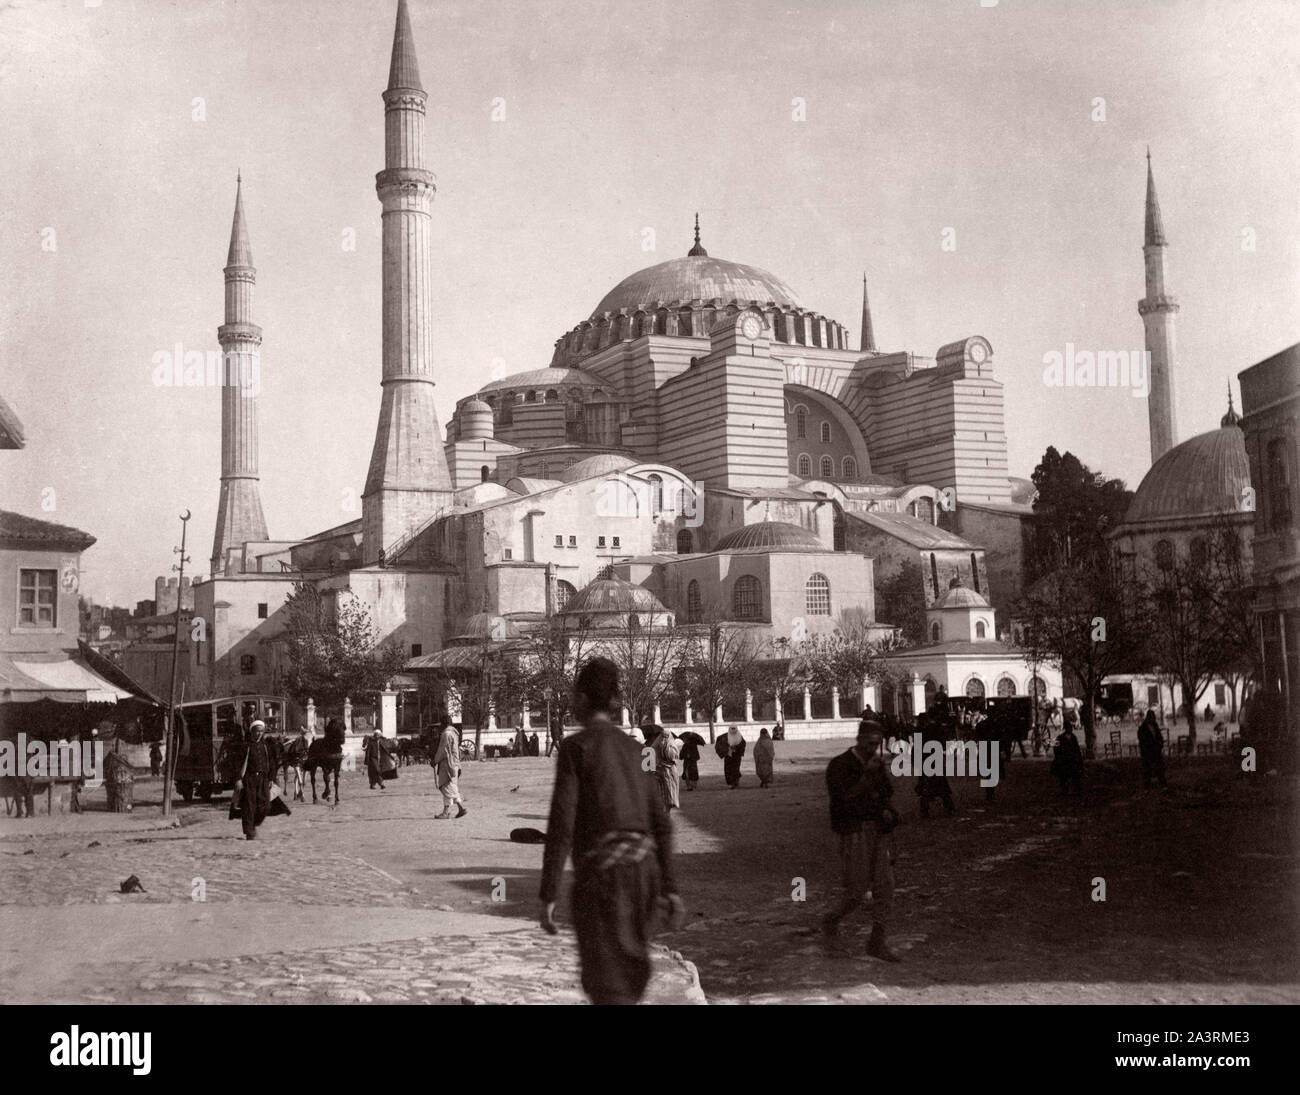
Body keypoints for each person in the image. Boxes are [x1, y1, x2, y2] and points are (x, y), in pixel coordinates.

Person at [539, 657, 684, 1005]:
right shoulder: (635, 750)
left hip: (603, 879)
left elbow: (562, 822)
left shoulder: (575, 748)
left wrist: (549, 893)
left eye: (576, 696)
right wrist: (670, 888)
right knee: (632, 967)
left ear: (584, 700)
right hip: (644, 876)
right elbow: (661, 825)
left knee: (606, 979)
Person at [822, 719, 900, 961]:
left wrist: (886, 810)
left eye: (877, 744)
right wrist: (866, 777)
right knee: (856, 891)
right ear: (859, 739)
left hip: (877, 830)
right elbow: (842, 800)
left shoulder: (875, 764)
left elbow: (887, 792)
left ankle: (877, 941)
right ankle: (831, 920)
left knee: (885, 887)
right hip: (854, 831)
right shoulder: (840, 765)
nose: (873, 748)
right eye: (869, 743)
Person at [232, 720, 272, 840]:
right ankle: (249, 832)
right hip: (249, 779)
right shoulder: (246, 746)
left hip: (263, 779)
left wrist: (271, 778)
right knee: (249, 806)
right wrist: (238, 779)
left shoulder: (265, 746)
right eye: (257, 731)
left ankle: (254, 824)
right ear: (252, 731)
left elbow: (271, 763)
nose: (259, 733)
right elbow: (237, 763)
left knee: (265, 805)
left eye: (261, 731)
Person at [433, 713, 468, 819]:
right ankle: (454, 809)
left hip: (448, 764)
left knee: (447, 787)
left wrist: (435, 760)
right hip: (454, 763)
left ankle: (450, 811)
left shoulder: (446, 734)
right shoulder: (454, 733)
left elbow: (443, 750)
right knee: (450, 787)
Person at [649, 724, 681, 811]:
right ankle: (664, 809)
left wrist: (666, 747)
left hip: (670, 772)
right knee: (662, 793)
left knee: (670, 792)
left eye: (666, 737)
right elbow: (652, 756)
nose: (664, 739)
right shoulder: (655, 746)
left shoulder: (672, 746)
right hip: (659, 771)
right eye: (663, 736)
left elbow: (673, 757)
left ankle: (668, 807)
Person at [1052, 715, 1084, 796]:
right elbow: (1055, 748)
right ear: (1066, 729)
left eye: (1071, 728)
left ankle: (1076, 789)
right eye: (1069, 728)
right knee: (1064, 776)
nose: (1071, 729)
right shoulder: (1060, 738)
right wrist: (1059, 757)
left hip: (1072, 759)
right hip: (1064, 760)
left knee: (1075, 775)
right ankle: (1065, 790)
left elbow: (1077, 749)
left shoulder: (1073, 737)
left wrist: (1079, 757)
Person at [1137, 710, 1167, 789]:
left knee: (1160, 768)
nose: (1153, 719)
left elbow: (1159, 736)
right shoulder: (1142, 728)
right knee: (1147, 769)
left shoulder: (1155, 725)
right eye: (1152, 718)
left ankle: (1163, 784)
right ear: (1148, 718)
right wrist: (1149, 748)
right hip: (1148, 752)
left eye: (1154, 718)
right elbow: (1143, 741)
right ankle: (1147, 785)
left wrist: (1160, 744)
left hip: (1156, 751)